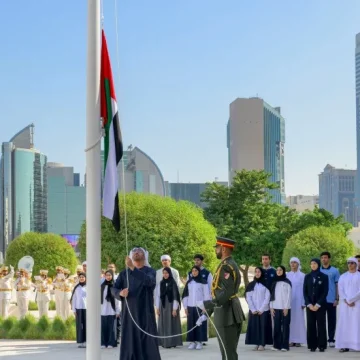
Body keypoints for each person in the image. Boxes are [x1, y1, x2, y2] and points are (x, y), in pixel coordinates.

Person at [112, 247, 161, 360]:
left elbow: (149, 282)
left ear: (145, 256)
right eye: (134, 251)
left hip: (145, 314)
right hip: (129, 315)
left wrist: (133, 268)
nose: (137, 253)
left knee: (147, 342)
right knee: (130, 341)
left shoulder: (150, 271)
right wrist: (120, 292)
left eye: (140, 251)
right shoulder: (124, 273)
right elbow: (113, 289)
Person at [201, 237, 245, 360]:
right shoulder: (229, 264)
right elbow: (220, 292)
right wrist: (207, 312)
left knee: (228, 353)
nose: (216, 250)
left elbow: (227, 292)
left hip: (227, 313)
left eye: (218, 248)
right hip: (229, 310)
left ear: (224, 249)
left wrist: (208, 304)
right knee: (229, 352)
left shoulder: (226, 266)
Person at [182, 265, 211, 350]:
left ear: (199, 272)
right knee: (191, 324)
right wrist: (185, 307)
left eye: (196, 271)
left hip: (200, 307)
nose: (194, 272)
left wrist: (205, 307)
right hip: (190, 306)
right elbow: (185, 296)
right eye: (193, 271)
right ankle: (192, 342)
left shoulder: (203, 282)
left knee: (200, 324)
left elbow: (206, 295)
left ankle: (200, 342)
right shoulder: (189, 282)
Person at [303, 258, 329, 352]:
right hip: (310, 305)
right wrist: (309, 304)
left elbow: (325, 292)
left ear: (318, 264)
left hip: (320, 305)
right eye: (311, 264)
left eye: (315, 263)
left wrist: (318, 304)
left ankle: (322, 345)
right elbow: (305, 292)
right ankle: (312, 345)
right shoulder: (307, 276)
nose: (313, 265)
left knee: (321, 324)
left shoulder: (324, 276)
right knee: (310, 325)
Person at [335, 257, 360, 352]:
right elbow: (340, 289)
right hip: (345, 304)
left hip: (357, 303)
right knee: (345, 323)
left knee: (356, 323)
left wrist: (352, 299)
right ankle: (344, 345)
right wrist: (346, 300)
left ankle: (357, 345)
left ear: (356, 264)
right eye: (349, 263)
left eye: (352, 263)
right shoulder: (343, 276)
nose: (350, 265)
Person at [245, 267, 272, 351]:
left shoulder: (266, 284)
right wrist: (253, 309)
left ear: (262, 273)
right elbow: (248, 297)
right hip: (254, 310)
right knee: (255, 326)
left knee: (263, 327)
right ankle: (257, 343)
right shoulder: (251, 284)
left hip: (263, 310)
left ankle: (262, 344)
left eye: (259, 272)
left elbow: (267, 297)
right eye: (256, 272)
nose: (257, 273)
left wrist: (261, 309)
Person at [155, 267, 182, 349]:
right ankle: (164, 342)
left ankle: (172, 342)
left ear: (169, 273)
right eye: (164, 273)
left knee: (172, 324)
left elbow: (176, 297)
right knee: (163, 324)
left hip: (171, 305)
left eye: (167, 273)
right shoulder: (161, 283)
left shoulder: (173, 283)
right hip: (163, 306)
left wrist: (174, 309)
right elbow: (158, 296)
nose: (165, 274)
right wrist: (157, 308)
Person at [320, 251, 340, 347]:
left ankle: (331, 339)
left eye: (326, 257)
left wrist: (337, 298)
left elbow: (337, 285)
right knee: (321, 321)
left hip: (331, 299)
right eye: (322, 257)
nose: (324, 259)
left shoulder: (335, 271)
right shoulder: (318, 270)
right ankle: (322, 339)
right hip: (321, 300)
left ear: (329, 259)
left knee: (332, 320)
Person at [270, 266, 292, 352]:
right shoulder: (273, 282)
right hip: (275, 307)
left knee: (285, 327)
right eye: (277, 270)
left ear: (283, 271)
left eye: (280, 270)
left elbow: (289, 296)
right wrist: (271, 307)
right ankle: (276, 345)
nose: (278, 271)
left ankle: (285, 346)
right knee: (276, 327)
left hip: (285, 308)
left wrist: (286, 307)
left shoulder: (287, 282)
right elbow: (271, 296)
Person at [286, 257, 306, 347]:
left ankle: (298, 340)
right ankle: (290, 340)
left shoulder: (303, 276)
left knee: (299, 320)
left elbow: (305, 290)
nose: (293, 264)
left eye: (295, 262)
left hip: (299, 302)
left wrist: (303, 302)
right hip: (289, 301)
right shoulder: (287, 275)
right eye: (292, 262)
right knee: (290, 320)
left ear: (298, 264)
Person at [101, 269, 120, 349]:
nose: (108, 277)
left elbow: (117, 300)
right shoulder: (102, 286)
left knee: (111, 327)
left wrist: (117, 310)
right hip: (102, 310)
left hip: (112, 309)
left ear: (112, 276)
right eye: (106, 275)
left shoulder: (114, 286)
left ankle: (111, 343)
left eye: (109, 275)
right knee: (103, 327)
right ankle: (103, 343)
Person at [71, 272, 87, 348]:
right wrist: (74, 309)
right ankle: (81, 341)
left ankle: (87, 341)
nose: (81, 278)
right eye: (80, 277)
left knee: (87, 325)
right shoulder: (76, 287)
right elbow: (74, 299)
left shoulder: (88, 287)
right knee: (80, 326)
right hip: (78, 308)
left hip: (87, 309)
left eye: (83, 277)